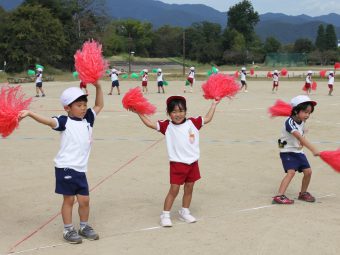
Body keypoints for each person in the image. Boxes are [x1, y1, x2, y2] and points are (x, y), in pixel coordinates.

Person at [19, 83, 104, 244]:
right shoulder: (64, 121)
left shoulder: (88, 119)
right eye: (79, 105)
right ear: (67, 108)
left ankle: (84, 227)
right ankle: (68, 229)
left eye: (84, 104)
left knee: (85, 200)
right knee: (69, 200)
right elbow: (48, 121)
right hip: (65, 167)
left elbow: (99, 105)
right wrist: (30, 113)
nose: (83, 108)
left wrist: (98, 87)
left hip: (80, 169)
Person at [132, 95, 220, 227]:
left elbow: (207, 118)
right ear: (168, 113)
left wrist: (214, 104)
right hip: (177, 164)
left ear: (185, 111)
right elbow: (150, 123)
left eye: (181, 111)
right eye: (174, 112)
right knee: (174, 189)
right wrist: (139, 112)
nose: (178, 114)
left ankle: (185, 211)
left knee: (189, 188)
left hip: (193, 163)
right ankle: (165, 214)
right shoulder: (166, 126)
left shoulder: (193, 123)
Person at [272, 95, 319, 204]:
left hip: (298, 151)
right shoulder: (289, 122)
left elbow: (301, 134)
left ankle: (303, 193)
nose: (307, 115)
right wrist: (313, 149)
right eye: (305, 112)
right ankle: (279, 196)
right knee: (291, 172)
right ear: (296, 111)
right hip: (287, 151)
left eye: (309, 113)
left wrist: (303, 134)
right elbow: (299, 137)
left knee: (308, 172)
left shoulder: (302, 120)